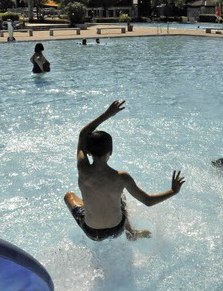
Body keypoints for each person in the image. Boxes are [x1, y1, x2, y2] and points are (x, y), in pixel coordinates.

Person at [64, 100, 185, 241]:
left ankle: (90, 205)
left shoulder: (82, 168)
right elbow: (148, 200)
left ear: (89, 153)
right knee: (121, 196)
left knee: (69, 196)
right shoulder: (122, 177)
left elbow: (83, 134)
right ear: (111, 151)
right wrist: (173, 191)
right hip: (117, 229)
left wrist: (107, 114)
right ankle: (130, 233)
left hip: (92, 232)